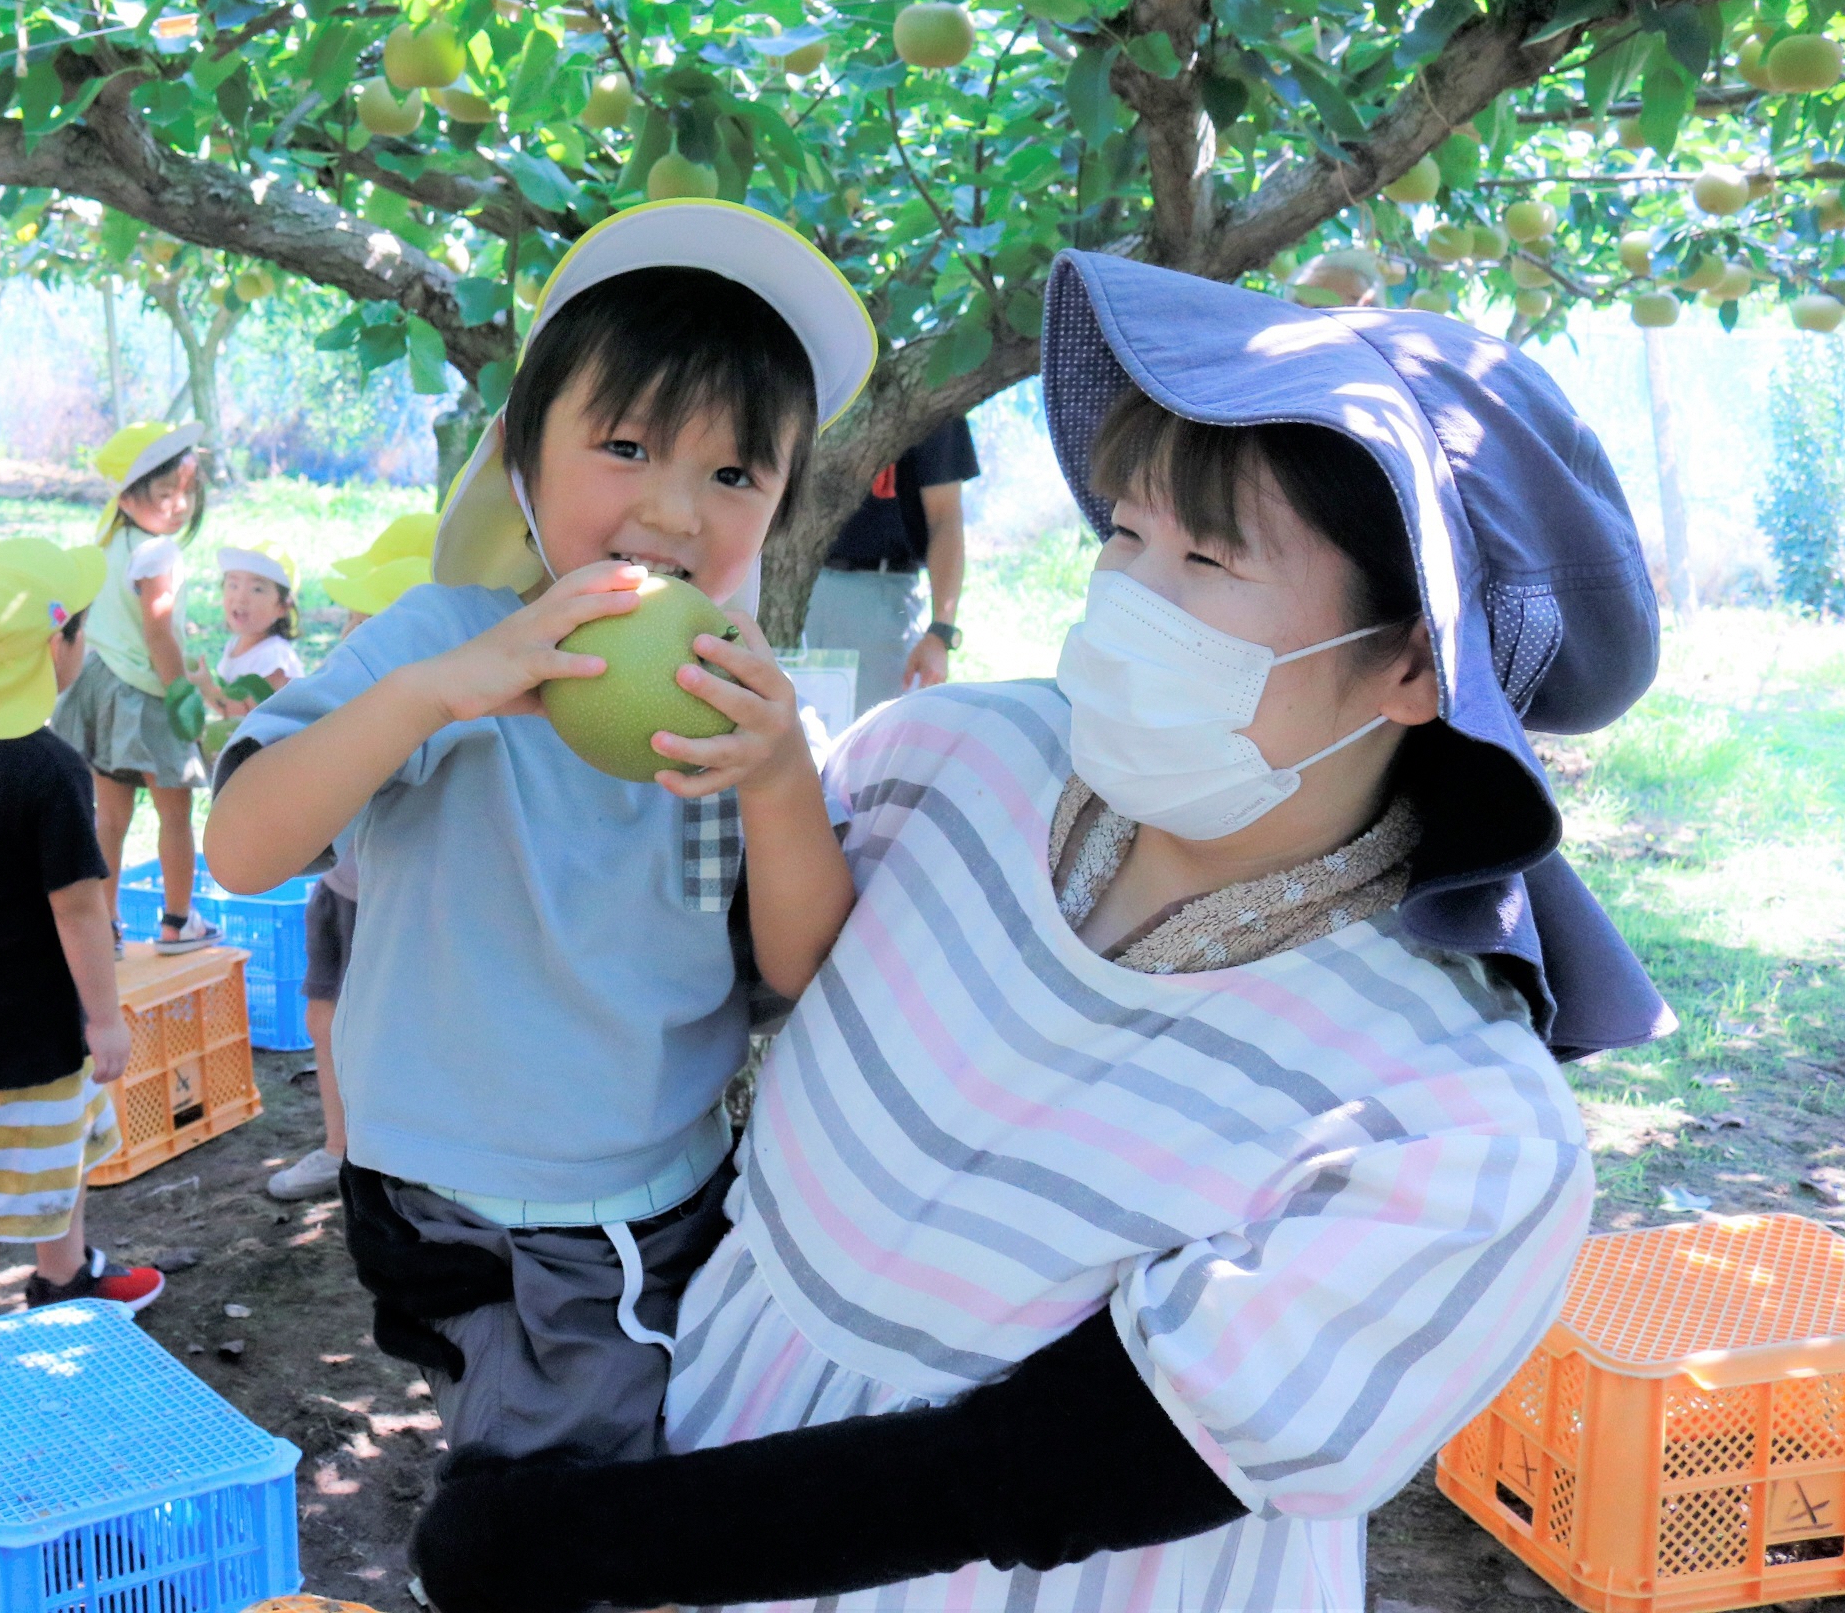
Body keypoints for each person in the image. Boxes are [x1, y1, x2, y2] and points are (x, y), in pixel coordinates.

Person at [404, 251, 1672, 1613]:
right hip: (715, 1423)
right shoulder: (944, 763)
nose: (1127, 596)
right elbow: (717, 1033)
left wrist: (595, 1543)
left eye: (1206, 557)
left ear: (1416, 662)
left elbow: (1043, 1469)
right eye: (1124, 535)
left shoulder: (1454, 1128)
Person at [207, 200, 873, 1465]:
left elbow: (795, 967)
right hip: (488, 1204)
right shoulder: (437, 637)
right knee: (566, 1502)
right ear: (521, 450)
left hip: (646, 1183)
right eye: (626, 445)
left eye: (735, 473)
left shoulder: (741, 698)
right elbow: (240, 849)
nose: (677, 511)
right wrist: (437, 692)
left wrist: (780, 774)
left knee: (574, 1464)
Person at [0, 538, 167, 1326]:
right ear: (53, 649)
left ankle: (66, 1275)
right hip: (20, 1017)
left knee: (65, 1144)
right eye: (79, 631)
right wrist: (104, 1017)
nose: (83, 646)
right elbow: (79, 906)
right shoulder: (50, 768)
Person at [263, 514, 434, 1206]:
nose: (356, 634)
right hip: (342, 890)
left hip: (415, 906)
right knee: (327, 1017)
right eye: (356, 619)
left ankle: (409, 1162)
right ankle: (340, 1149)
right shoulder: (348, 695)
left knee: (413, 1030)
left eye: (375, 618)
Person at [50, 421, 215, 950]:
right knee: (175, 814)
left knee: (110, 819)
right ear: (126, 496)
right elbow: (158, 631)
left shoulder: (109, 542)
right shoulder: (159, 554)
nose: (179, 505)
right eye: (165, 493)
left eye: (188, 492)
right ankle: (177, 920)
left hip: (98, 689)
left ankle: (107, 925)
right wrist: (180, 696)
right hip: (145, 693)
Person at [801, 416, 978, 712]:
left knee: (872, 746)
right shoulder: (801, 374)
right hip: (787, 583)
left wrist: (940, 633)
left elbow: (945, 519)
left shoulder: (927, 386)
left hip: (881, 601)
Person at [193, 545, 304, 723]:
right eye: (233, 585)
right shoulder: (235, 644)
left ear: (282, 607)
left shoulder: (273, 658)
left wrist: (206, 689)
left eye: (257, 589)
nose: (241, 597)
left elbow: (249, 718)